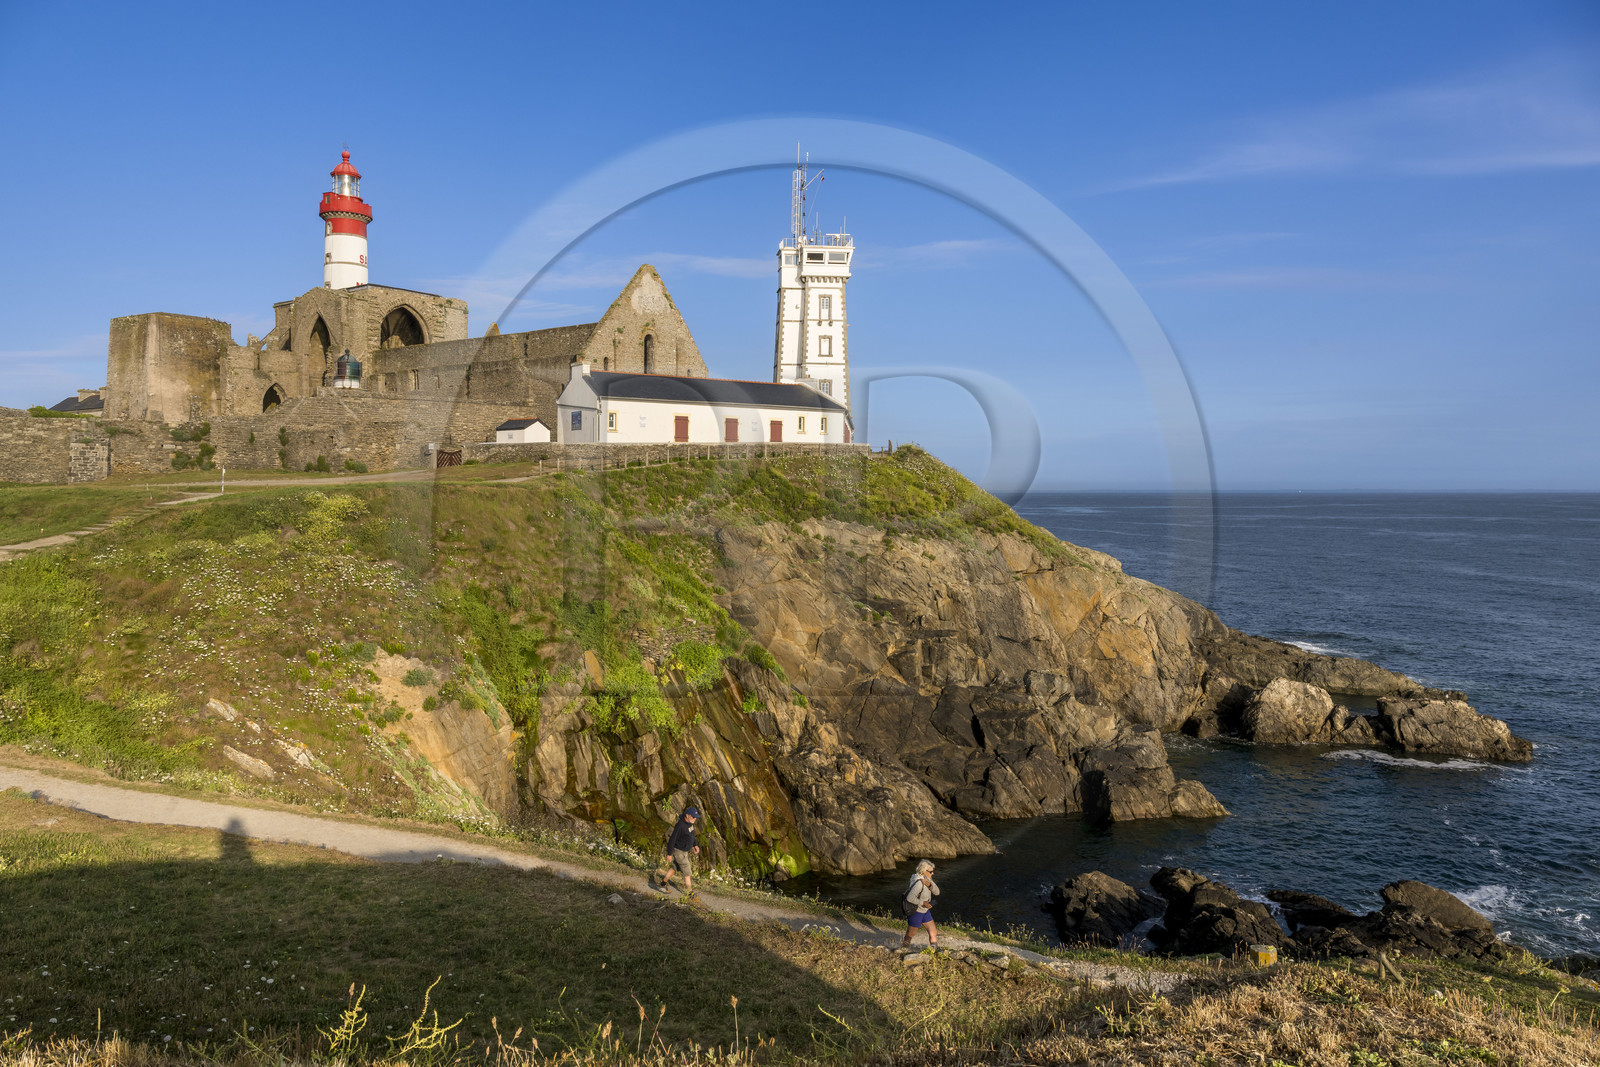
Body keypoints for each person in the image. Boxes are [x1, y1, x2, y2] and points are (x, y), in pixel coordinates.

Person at [653, 806, 701, 897]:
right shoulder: (680, 825)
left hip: (685, 852)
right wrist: (669, 853)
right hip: (679, 851)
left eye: (696, 817)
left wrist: (695, 845)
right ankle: (690, 894)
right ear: (687, 815)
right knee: (687, 872)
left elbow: (692, 836)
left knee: (675, 868)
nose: (695, 819)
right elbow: (672, 839)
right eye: (693, 817)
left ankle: (662, 884)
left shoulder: (691, 824)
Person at [901, 859, 940, 948]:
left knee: (933, 932)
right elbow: (909, 898)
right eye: (930, 872)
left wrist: (929, 884)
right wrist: (923, 903)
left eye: (933, 871)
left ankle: (934, 952)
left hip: (925, 911)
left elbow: (937, 892)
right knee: (909, 935)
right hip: (916, 912)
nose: (932, 873)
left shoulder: (927, 879)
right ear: (923, 871)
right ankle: (903, 950)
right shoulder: (918, 883)